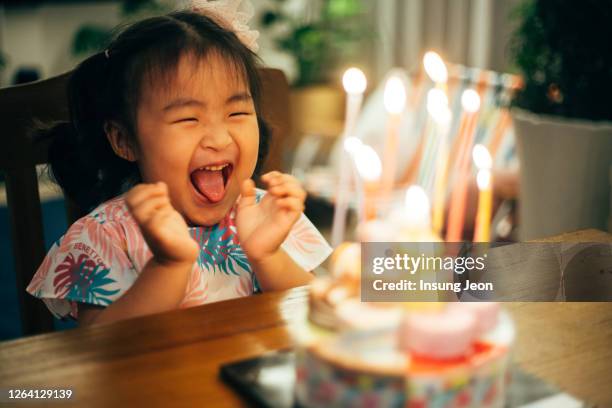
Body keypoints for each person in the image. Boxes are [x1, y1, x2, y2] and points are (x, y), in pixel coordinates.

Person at [26, 2, 332, 326]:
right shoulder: (104, 235)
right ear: (124, 140)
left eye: (237, 113)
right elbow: (99, 354)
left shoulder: (268, 215)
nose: (219, 139)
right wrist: (168, 267)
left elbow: (323, 319)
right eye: (188, 118)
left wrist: (268, 256)